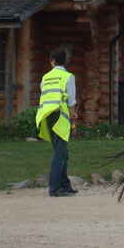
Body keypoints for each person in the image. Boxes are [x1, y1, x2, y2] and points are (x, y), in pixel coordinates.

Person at [35, 48, 78, 197]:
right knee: (60, 153)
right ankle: (55, 188)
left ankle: (65, 185)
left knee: (62, 152)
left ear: (52, 61)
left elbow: (44, 94)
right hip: (61, 117)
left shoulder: (45, 77)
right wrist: (74, 119)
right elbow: (71, 100)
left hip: (47, 116)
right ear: (65, 61)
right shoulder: (68, 77)